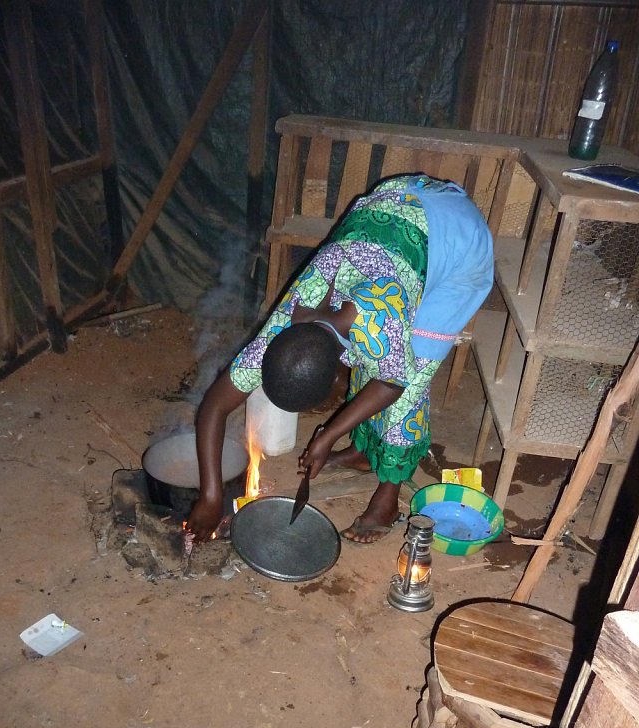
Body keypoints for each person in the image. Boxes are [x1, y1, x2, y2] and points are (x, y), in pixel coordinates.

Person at [186, 174, 494, 543]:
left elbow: (391, 384)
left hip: (460, 245)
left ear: (337, 369)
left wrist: (328, 434)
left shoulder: (381, 323)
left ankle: (387, 497)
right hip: (399, 205)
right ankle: (365, 451)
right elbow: (214, 406)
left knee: (411, 376)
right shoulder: (289, 318)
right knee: (381, 361)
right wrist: (211, 495)